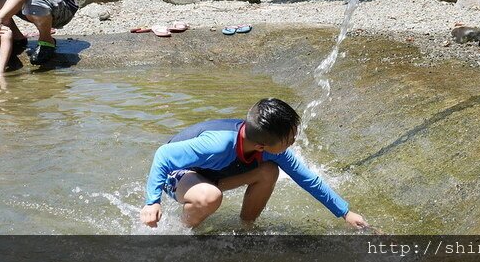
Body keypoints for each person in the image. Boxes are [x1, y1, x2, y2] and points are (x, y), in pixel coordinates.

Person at [140, 98, 369, 230]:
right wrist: (152, 202)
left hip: (213, 173)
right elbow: (164, 155)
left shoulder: (269, 150)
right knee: (210, 197)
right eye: (289, 139)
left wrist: (345, 212)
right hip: (179, 173)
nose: (294, 142)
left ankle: (245, 226)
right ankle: (181, 229)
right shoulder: (218, 144)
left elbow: (308, 179)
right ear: (262, 146)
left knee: (269, 171)